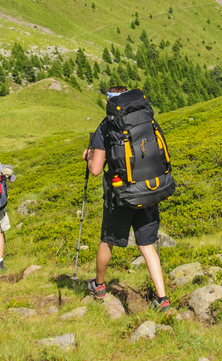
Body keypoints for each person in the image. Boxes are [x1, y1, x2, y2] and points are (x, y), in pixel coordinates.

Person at [82, 85, 170, 312]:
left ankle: (99, 286)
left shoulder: (107, 126)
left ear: (110, 101)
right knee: (147, 245)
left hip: (121, 195)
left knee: (107, 240)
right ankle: (162, 298)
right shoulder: (147, 119)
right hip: (150, 188)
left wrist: (88, 155)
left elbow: (95, 169)